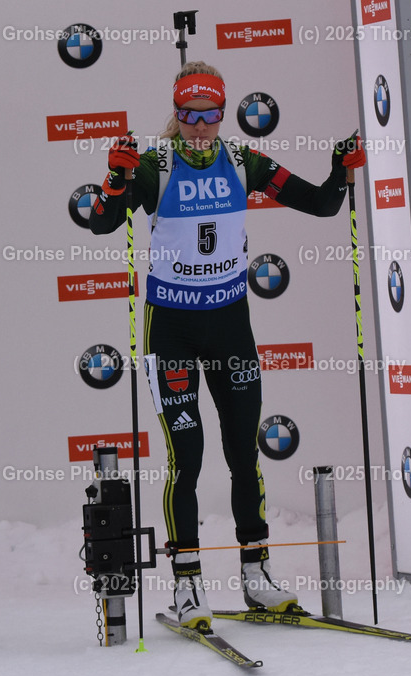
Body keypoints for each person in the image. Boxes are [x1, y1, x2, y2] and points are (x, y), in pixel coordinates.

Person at [88, 61, 366, 631]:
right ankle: (188, 586)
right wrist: (114, 182)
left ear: (222, 113)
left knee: (244, 452)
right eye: (189, 116)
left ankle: (256, 575)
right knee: (186, 459)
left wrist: (340, 171)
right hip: (172, 331)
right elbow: (101, 223)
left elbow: (321, 203)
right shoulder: (153, 165)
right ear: (177, 113)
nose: (200, 127)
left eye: (210, 115)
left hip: (230, 326)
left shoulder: (244, 161)